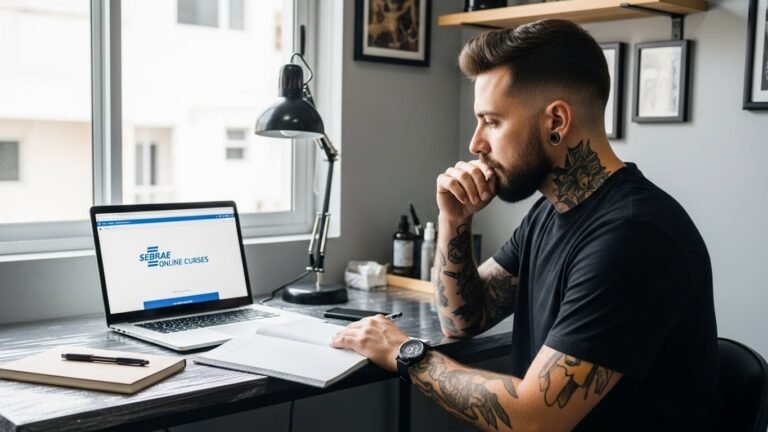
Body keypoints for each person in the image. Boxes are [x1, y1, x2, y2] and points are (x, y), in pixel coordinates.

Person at [331, 19, 718, 431]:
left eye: (492, 121)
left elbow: (535, 421)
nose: (475, 143)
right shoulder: (552, 211)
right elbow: (462, 319)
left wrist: (404, 352)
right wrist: (453, 220)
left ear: (556, 122)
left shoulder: (634, 235)